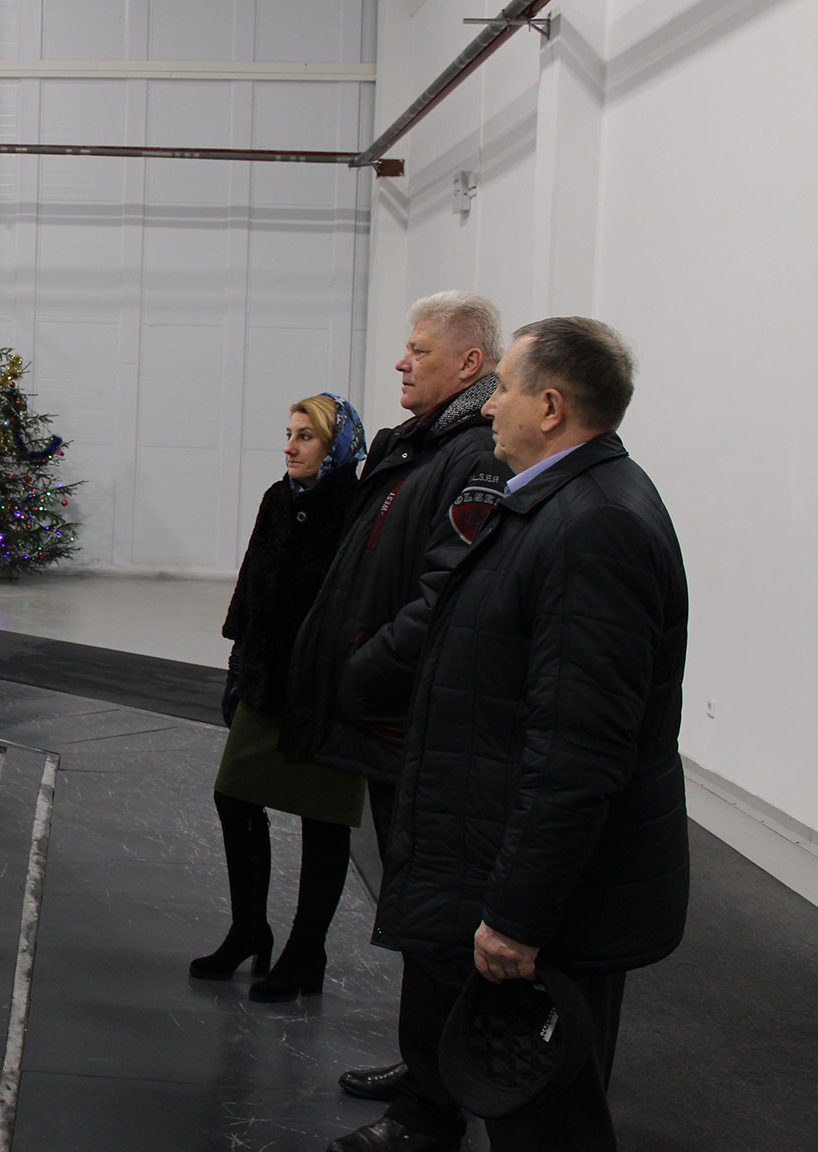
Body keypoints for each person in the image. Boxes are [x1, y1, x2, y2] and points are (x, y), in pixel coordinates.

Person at [327, 317, 688, 1152]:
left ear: (552, 407)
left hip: (557, 911)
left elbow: (578, 751)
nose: (491, 408)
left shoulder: (594, 526)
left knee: (545, 1118)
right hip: (511, 864)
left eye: (507, 391)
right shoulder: (558, 503)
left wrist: (518, 917)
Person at [282, 291, 511, 1099]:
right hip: (388, 718)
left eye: (420, 351)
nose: (401, 363)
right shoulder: (419, 446)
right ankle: (428, 1071)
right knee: (415, 904)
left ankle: (436, 1096)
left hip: (408, 720)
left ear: (469, 363)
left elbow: (442, 594)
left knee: (434, 912)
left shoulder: (473, 458)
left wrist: (362, 670)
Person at [192, 394, 368, 1003]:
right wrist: (238, 665)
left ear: (336, 446)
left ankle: (305, 952)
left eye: (305, 436)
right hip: (267, 681)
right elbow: (251, 586)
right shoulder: (278, 499)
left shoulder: (360, 507)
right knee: (234, 795)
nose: (290, 447)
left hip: (327, 691)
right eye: (289, 434)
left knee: (324, 818)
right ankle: (249, 930)